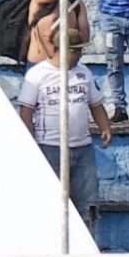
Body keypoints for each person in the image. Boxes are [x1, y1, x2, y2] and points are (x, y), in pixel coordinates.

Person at [16, 35, 110, 212]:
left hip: (83, 148)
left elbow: (96, 104)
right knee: (51, 203)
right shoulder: (37, 74)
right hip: (50, 146)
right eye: (78, 50)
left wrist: (104, 127)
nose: (81, 55)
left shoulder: (84, 72)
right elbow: (26, 111)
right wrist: (29, 141)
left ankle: (88, 236)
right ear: (68, 50)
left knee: (88, 204)